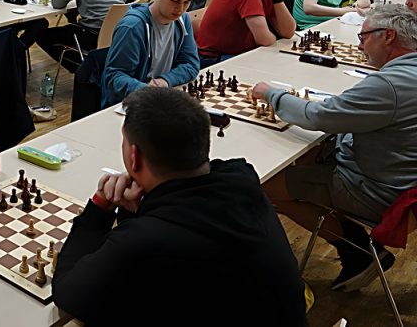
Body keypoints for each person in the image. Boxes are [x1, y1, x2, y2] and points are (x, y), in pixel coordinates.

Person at [52, 85, 307, 326]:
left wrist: (100, 208)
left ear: (134, 156)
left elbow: (68, 292)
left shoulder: (145, 241)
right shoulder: (242, 181)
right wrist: (136, 211)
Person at [253, 4, 417, 290]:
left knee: (263, 185)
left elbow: (317, 117)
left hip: (382, 194)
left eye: (364, 36)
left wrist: (271, 94)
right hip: (404, 181)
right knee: (306, 161)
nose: (359, 44)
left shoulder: (389, 84)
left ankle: (358, 251)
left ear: (388, 36)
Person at [100, 0, 200, 108]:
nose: (180, 9)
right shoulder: (133, 27)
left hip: (159, 98)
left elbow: (191, 64)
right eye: (175, 1)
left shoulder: (183, 20)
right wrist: (149, 91)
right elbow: (114, 77)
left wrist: (165, 81)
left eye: (187, 3)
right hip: (129, 105)